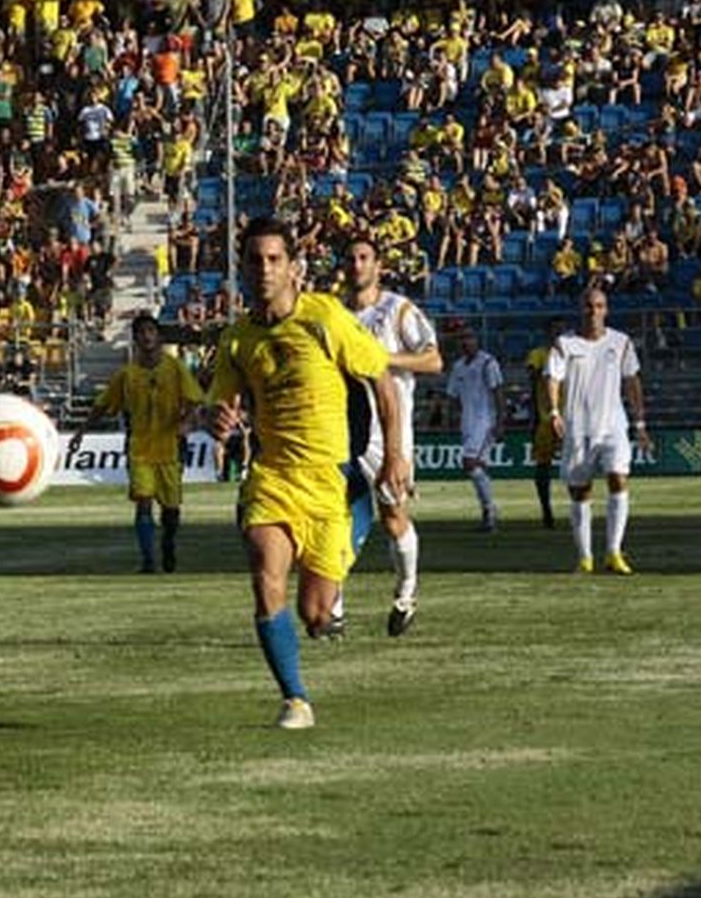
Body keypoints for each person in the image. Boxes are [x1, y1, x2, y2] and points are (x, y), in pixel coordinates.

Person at [205, 218, 406, 729]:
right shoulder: (236, 340)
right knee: (264, 573)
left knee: (316, 616)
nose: (264, 269)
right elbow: (220, 403)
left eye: (274, 259)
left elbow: (381, 380)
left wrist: (395, 455)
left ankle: (357, 513)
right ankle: (295, 699)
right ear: (243, 269)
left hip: (329, 482)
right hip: (272, 477)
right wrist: (219, 419)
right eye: (255, 260)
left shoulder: (325, 318)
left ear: (294, 268)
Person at [342, 236, 442, 636]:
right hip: (342, 427)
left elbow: (434, 359)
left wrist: (384, 359)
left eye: (364, 257)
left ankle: (406, 592)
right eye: (350, 258)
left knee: (393, 517)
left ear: (378, 265)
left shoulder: (397, 310)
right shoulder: (336, 314)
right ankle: (331, 611)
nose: (356, 265)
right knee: (331, 515)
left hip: (389, 431)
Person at [68, 312, 207, 574]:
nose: (146, 336)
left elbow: (195, 399)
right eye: (141, 332)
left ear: (159, 337)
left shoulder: (175, 367)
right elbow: (103, 405)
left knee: (171, 509)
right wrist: (80, 433)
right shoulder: (126, 375)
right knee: (143, 501)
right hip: (139, 448)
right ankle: (148, 560)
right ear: (135, 339)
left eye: (150, 331)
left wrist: (187, 421)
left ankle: (167, 542)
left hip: (170, 447)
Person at [545, 287, 651, 574]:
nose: (594, 311)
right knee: (581, 492)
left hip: (613, 426)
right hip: (578, 428)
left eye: (599, 306)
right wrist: (554, 411)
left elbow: (632, 382)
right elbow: (552, 378)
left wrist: (640, 422)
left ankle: (614, 552)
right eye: (589, 306)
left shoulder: (621, 342)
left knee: (619, 478)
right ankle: (585, 557)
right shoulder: (564, 344)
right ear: (581, 309)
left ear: (607, 309)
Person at [444, 328, 505, 531]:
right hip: (467, 423)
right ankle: (489, 514)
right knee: (479, 467)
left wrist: (501, 421)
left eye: (470, 337)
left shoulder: (488, 363)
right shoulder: (458, 367)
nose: (466, 342)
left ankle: (490, 509)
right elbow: (452, 395)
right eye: (462, 338)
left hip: (485, 421)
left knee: (469, 463)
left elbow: (498, 392)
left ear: (477, 340)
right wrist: (451, 417)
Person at [526, 318, 566, 527]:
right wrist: (533, 417)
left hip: (573, 418)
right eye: (555, 330)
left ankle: (579, 508)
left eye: (561, 330)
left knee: (578, 466)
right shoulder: (538, 355)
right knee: (543, 465)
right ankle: (546, 510)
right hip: (546, 419)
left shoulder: (572, 355)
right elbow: (533, 386)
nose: (558, 334)